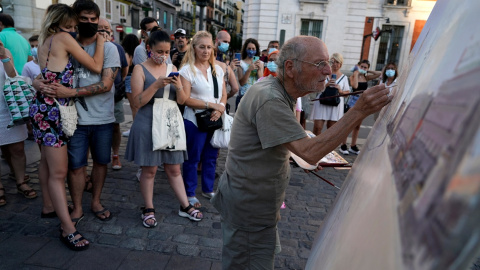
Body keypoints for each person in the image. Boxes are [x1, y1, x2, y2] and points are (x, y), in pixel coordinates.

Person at [211, 35, 392, 269]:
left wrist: (298, 154)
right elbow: (309, 152)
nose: (328, 70)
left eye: (328, 62)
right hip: (250, 211)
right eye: (319, 64)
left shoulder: (277, 90)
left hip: (254, 207)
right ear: (290, 68)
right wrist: (358, 111)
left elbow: (288, 143)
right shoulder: (270, 98)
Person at [34, 0, 120, 224]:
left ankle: (95, 201)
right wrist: (37, 82)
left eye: (94, 20)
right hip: (72, 119)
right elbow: (47, 72)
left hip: (101, 117)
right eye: (83, 20)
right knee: (74, 167)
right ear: (73, 20)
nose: (88, 24)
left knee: (101, 162)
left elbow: (107, 84)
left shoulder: (109, 48)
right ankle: (76, 209)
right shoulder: (68, 42)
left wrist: (70, 92)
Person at [125, 30, 203, 227]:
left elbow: (181, 100)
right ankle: (148, 208)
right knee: (149, 169)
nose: (163, 55)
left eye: (167, 51)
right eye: (159, 51)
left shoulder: (172, 67)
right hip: (148, 120)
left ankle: (185, 205)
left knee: (174, 168)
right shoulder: (140, 69)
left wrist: (178, 86)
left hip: (169, 120)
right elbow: (137, 102)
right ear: (149, 48)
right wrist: (156, 85)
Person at [179, 31, 227, 208]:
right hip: (194, 120)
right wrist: (210, 105)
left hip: (215, 118)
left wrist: (220, 108)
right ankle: (190, 193)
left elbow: (223, 94)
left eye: (209, 47)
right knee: (192, 157)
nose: (206, 51)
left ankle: (208, 189)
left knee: (211, 156)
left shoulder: (218, 69)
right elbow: (184, 99)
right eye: (202, 47)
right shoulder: (187, 70)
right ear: (194, 48)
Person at [0, 40, 37, 206]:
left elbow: (13, 76)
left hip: (9, 105)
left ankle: (21, 181)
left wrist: (3, 56)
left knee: (17, 148)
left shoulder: (5, 50)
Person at [98, 18, 128, 170]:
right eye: (100, 27)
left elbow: (124, 69)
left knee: (115, 126)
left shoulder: (117, 48)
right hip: (94, 97)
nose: (103, 30)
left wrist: (117, 84)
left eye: (106, 28)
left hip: (114, 96)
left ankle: (115, 155)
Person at [339, 59, 381, 155]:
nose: (363, 68)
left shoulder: (366, 77)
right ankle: (343, 145)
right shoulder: (353, 76)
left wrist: (368, 71)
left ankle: (353, 146)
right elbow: (355, 86)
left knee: (357, 126)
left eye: (365, 67)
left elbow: (379, 74)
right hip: (353, 101)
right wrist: (357, 73)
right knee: (349, 123)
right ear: (358, 66)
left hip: (362, 101)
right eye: (361, 66)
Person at [310, 53, 350, 135]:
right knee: (317, 128)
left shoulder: (344, 77)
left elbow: (347, 94)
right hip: (322, 102)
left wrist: (340, 90)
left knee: (331, 130)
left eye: (337, 62)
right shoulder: (323, 74)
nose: (335, 64)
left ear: (341, 64)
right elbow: (315, 88)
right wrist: (326, 84)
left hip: (335, 104)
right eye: (333, 62)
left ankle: (326, 147)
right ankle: (315, 146)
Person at [121, 34, 139, 137]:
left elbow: (126, 67)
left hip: (129, 78)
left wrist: (123, 78)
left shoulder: (127, 53)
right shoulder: (137, 52)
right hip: (136, 78)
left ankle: (134, 128)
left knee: (133, 106)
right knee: (136, 105)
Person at [236, 38, 263, 110]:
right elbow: (241, 83)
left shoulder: (260, 63)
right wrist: (249, 70)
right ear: (245, 49)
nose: (251, 51)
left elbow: (261, 81)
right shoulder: (241, 63)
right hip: (244, 96)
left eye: (253, 49)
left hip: (256, 96)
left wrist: (259, 69)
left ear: (256, 50)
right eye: (249, 48)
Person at [214, 30, 239, 102]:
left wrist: (224, 98)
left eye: (228, 43)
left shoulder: (224, 56)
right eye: (225, 41)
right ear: (217, 40)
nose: (227, 44)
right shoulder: (209, 55)